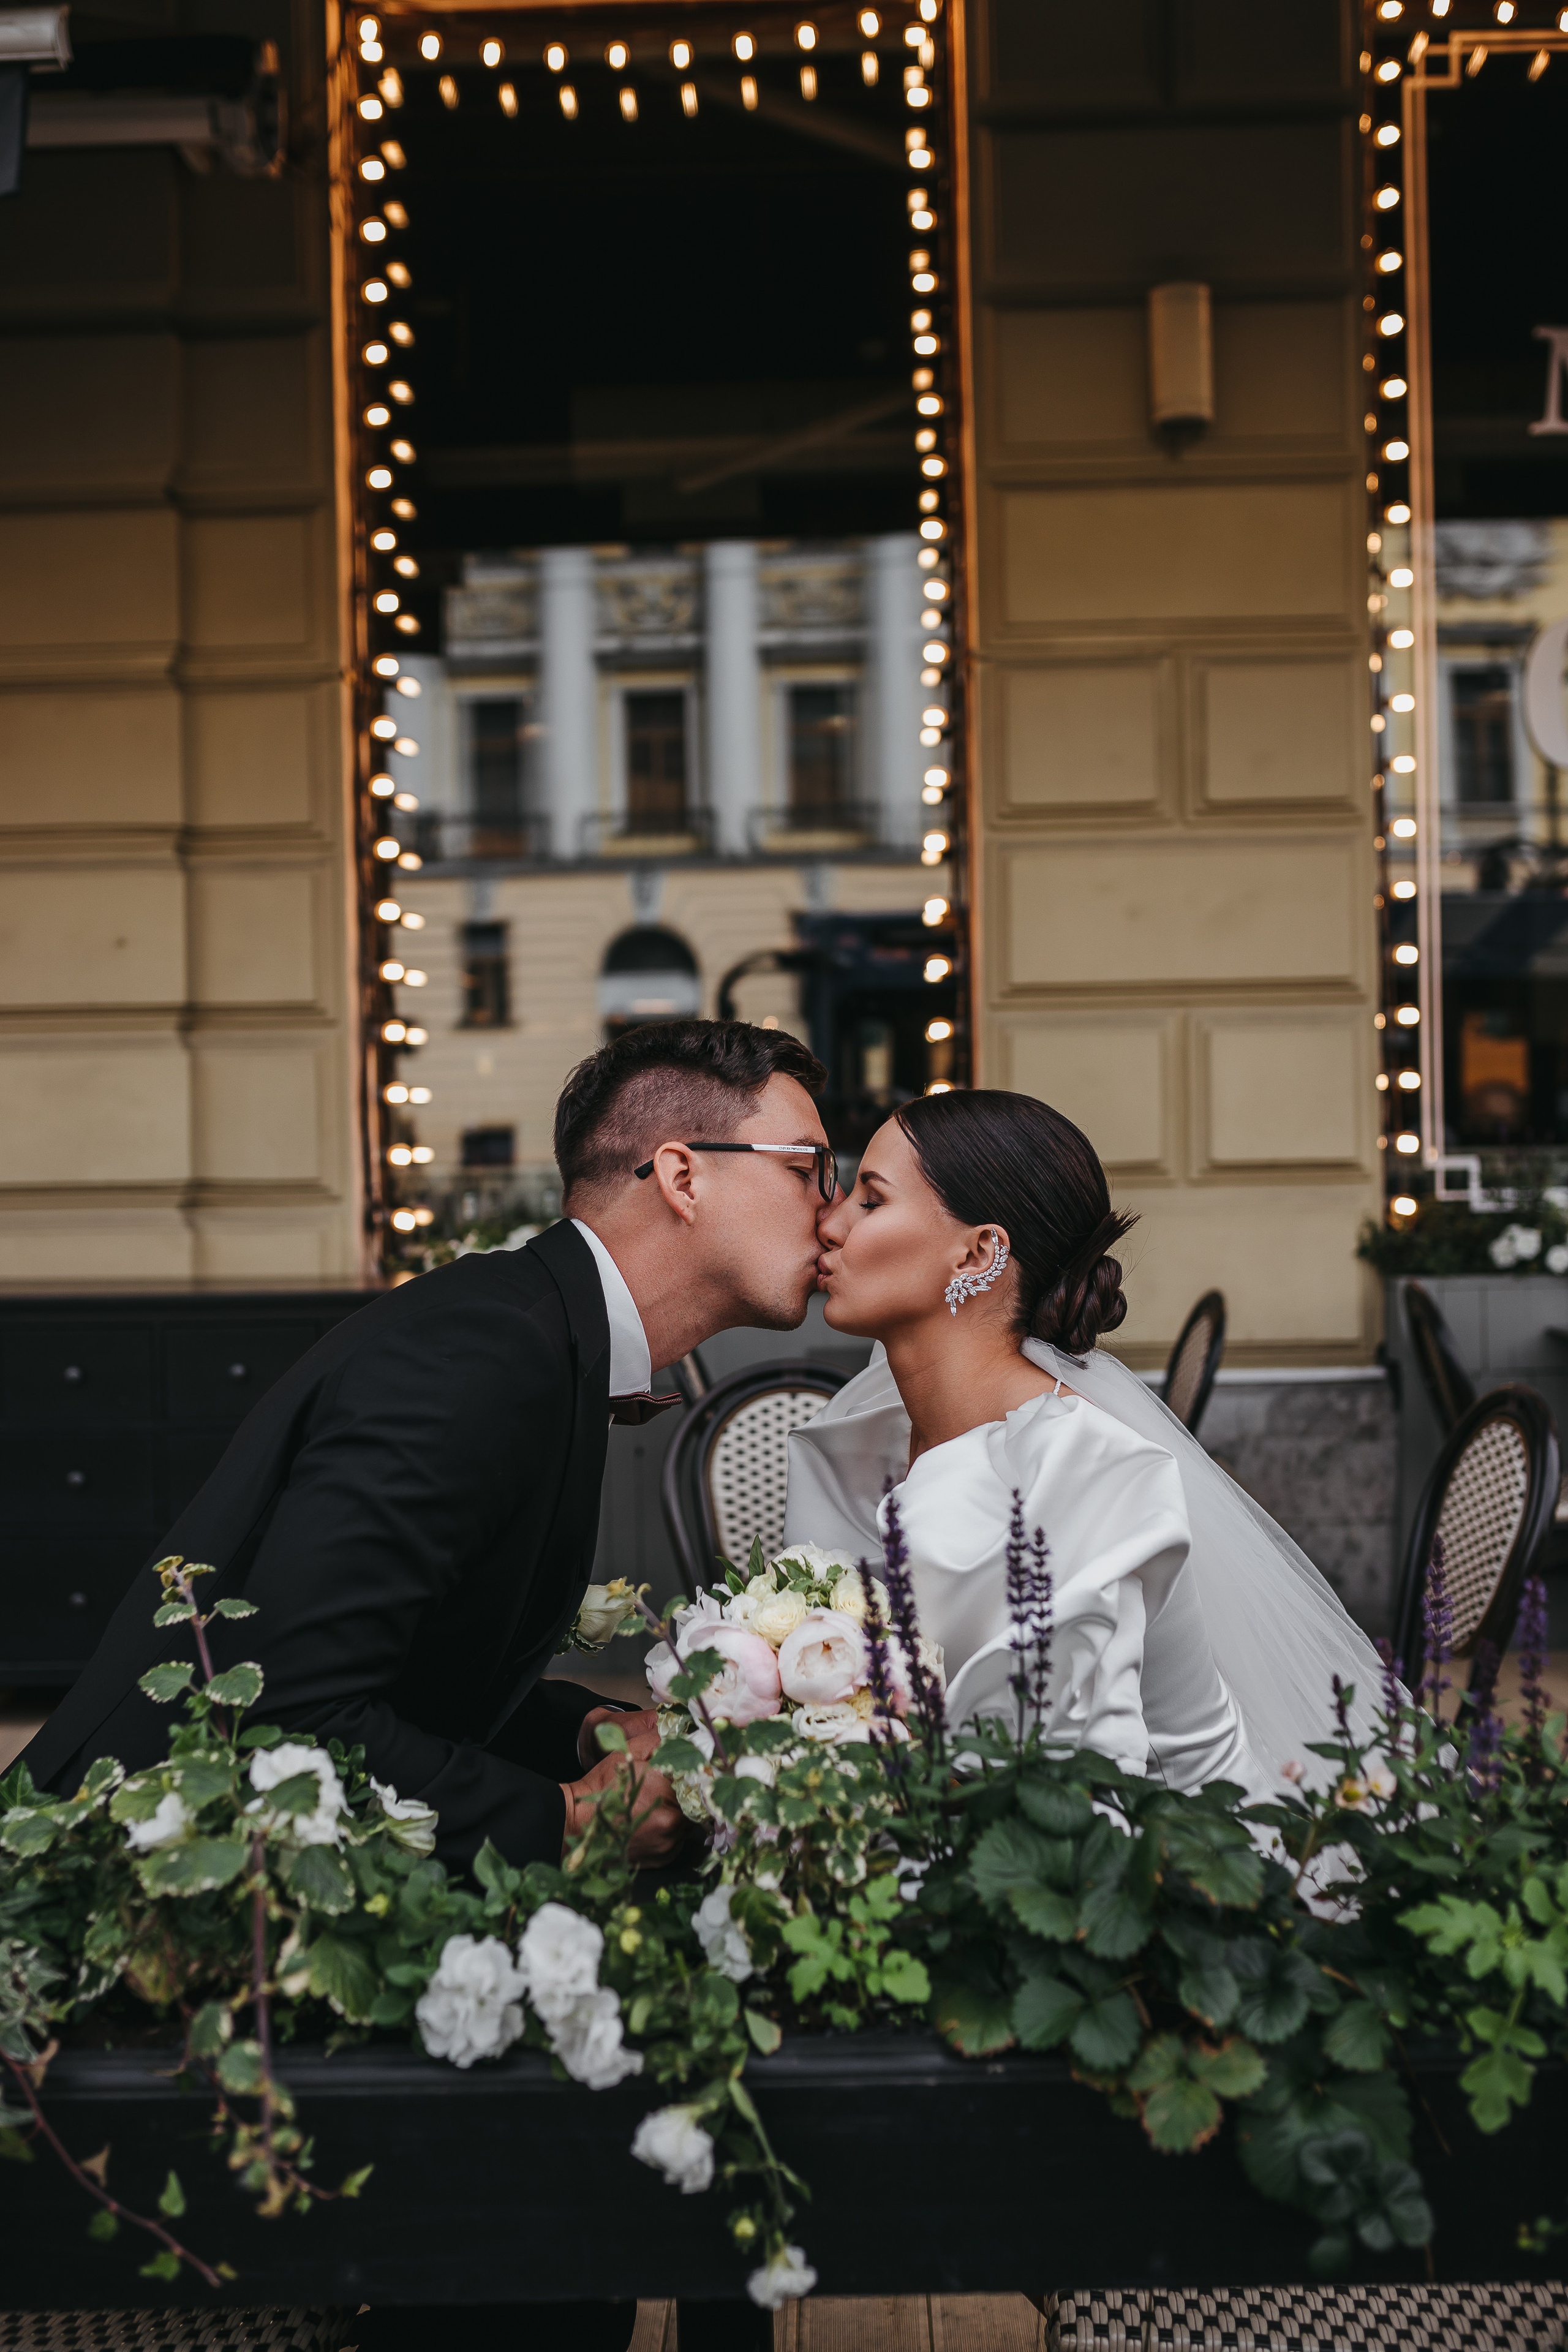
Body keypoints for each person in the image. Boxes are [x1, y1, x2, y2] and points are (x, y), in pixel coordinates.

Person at [23, 1019, 836, 1877]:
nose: (831, 1204)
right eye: (806, 1168)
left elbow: (414, 1674)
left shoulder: (531, 1328)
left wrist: (586, 1730)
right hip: (124, 1878)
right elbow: (289, 1705)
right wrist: (564, 1820)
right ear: (682, 1177)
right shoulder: (485, 1351)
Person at [783, 1090, 1386, 1800]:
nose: (829, 1223)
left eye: (870, 1200)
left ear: (978, 1252)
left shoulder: (1086, 1472)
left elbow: (1172, 1763)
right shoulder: (848, 1449)